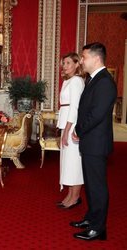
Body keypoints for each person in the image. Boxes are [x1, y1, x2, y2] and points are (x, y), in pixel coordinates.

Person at [71, 42, 117, 241]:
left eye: (84, 57)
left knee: (97, 186)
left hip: (96, 142)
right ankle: (91, 218)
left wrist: (79, 130)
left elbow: (96, 114)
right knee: (90, 184)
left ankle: (98, 229)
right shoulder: (94, 79)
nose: (81, 61)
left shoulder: (105, 81)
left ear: (96, 58)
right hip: (90, 142)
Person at [56, 52, 85, 209]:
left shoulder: (76, 81)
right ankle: (70, 195)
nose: (65, 66)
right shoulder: (68, 81)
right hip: (66, 124)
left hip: (72, 125)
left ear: (76, 65)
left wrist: (67, 130)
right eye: (64, 63)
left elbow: (74, 108)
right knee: (68, 162)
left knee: (74, 163)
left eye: (68, 63)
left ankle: (75, 197)